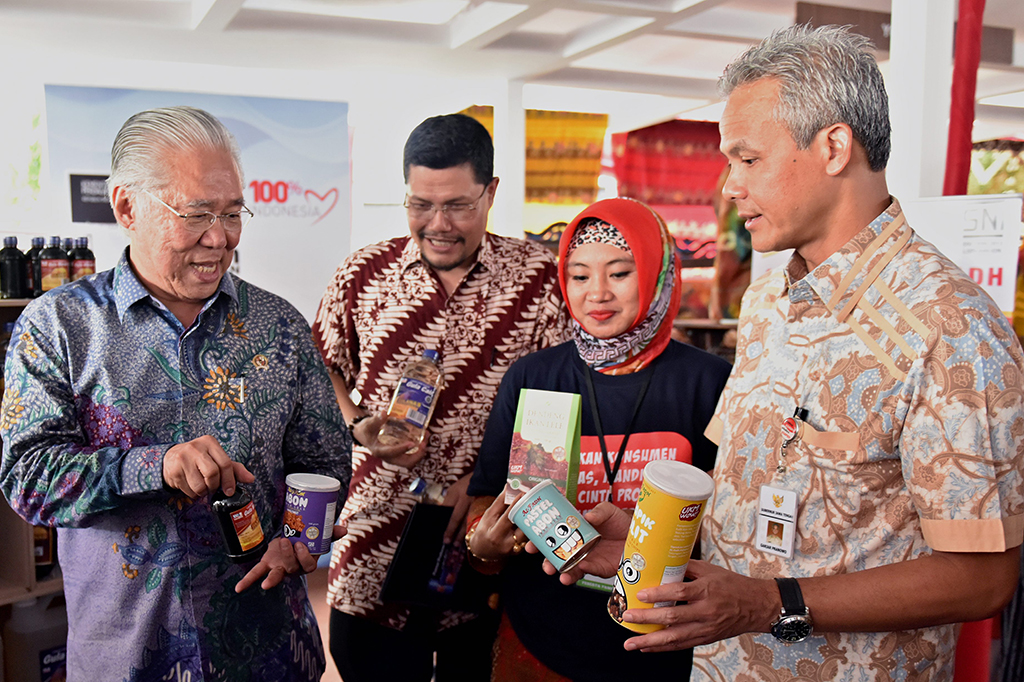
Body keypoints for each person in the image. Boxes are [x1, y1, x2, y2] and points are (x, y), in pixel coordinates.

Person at [535, 24, 1024, 681]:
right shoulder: (769, 300)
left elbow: (982, 577)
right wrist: (655, 536)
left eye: (747, 158)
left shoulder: (951, 328)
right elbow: (753, 489)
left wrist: (771, 603)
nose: (729, 186)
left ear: (833, 147)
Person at [0, 106, 351, 680]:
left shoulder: (279, 326)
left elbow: (323, 459)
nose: (220, 238)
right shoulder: (59, 327)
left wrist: (297, 537)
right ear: (126, 208)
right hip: (127, 653)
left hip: (266, 649)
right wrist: (154, 466)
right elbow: (28, 478)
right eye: (196, 214)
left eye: (232, 213)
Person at [312, 112, 570, 682]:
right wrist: (356, 423)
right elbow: (321, 367)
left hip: (486, 540)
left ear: (491, 192)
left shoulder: (540, 279)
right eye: (420, 205)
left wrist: (484, 483)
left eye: (457, 205)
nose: (437, 224)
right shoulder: (364, 274)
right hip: (374, 539)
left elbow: (559, 405)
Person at [465, 197, 731, 681]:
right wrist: (483, 543)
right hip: (540, 638)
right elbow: (486, 498)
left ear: (657, 274)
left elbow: (733, 517)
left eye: (621, 273)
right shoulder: (533, 376)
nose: (597, 293)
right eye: (580, 275)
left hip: (666, 639)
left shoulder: (709, 382)